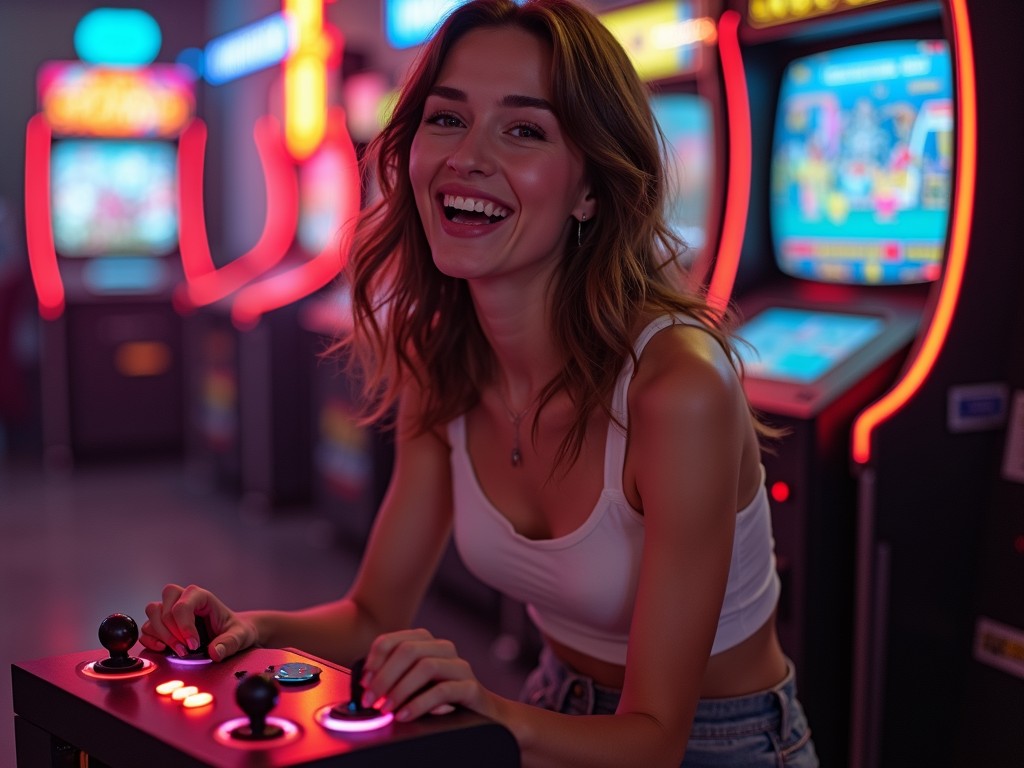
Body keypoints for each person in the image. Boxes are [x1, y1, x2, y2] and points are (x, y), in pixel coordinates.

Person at [141, 1, 818, 765]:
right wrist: (252, 628)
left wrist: (484, 709)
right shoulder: (447, 362)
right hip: (552, 706)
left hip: (716, 743)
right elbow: (369, 614)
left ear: (590, 189)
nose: (468, 157)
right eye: (446, 119)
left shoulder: (677, 389)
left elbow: (655, 741)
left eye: (524, 130)